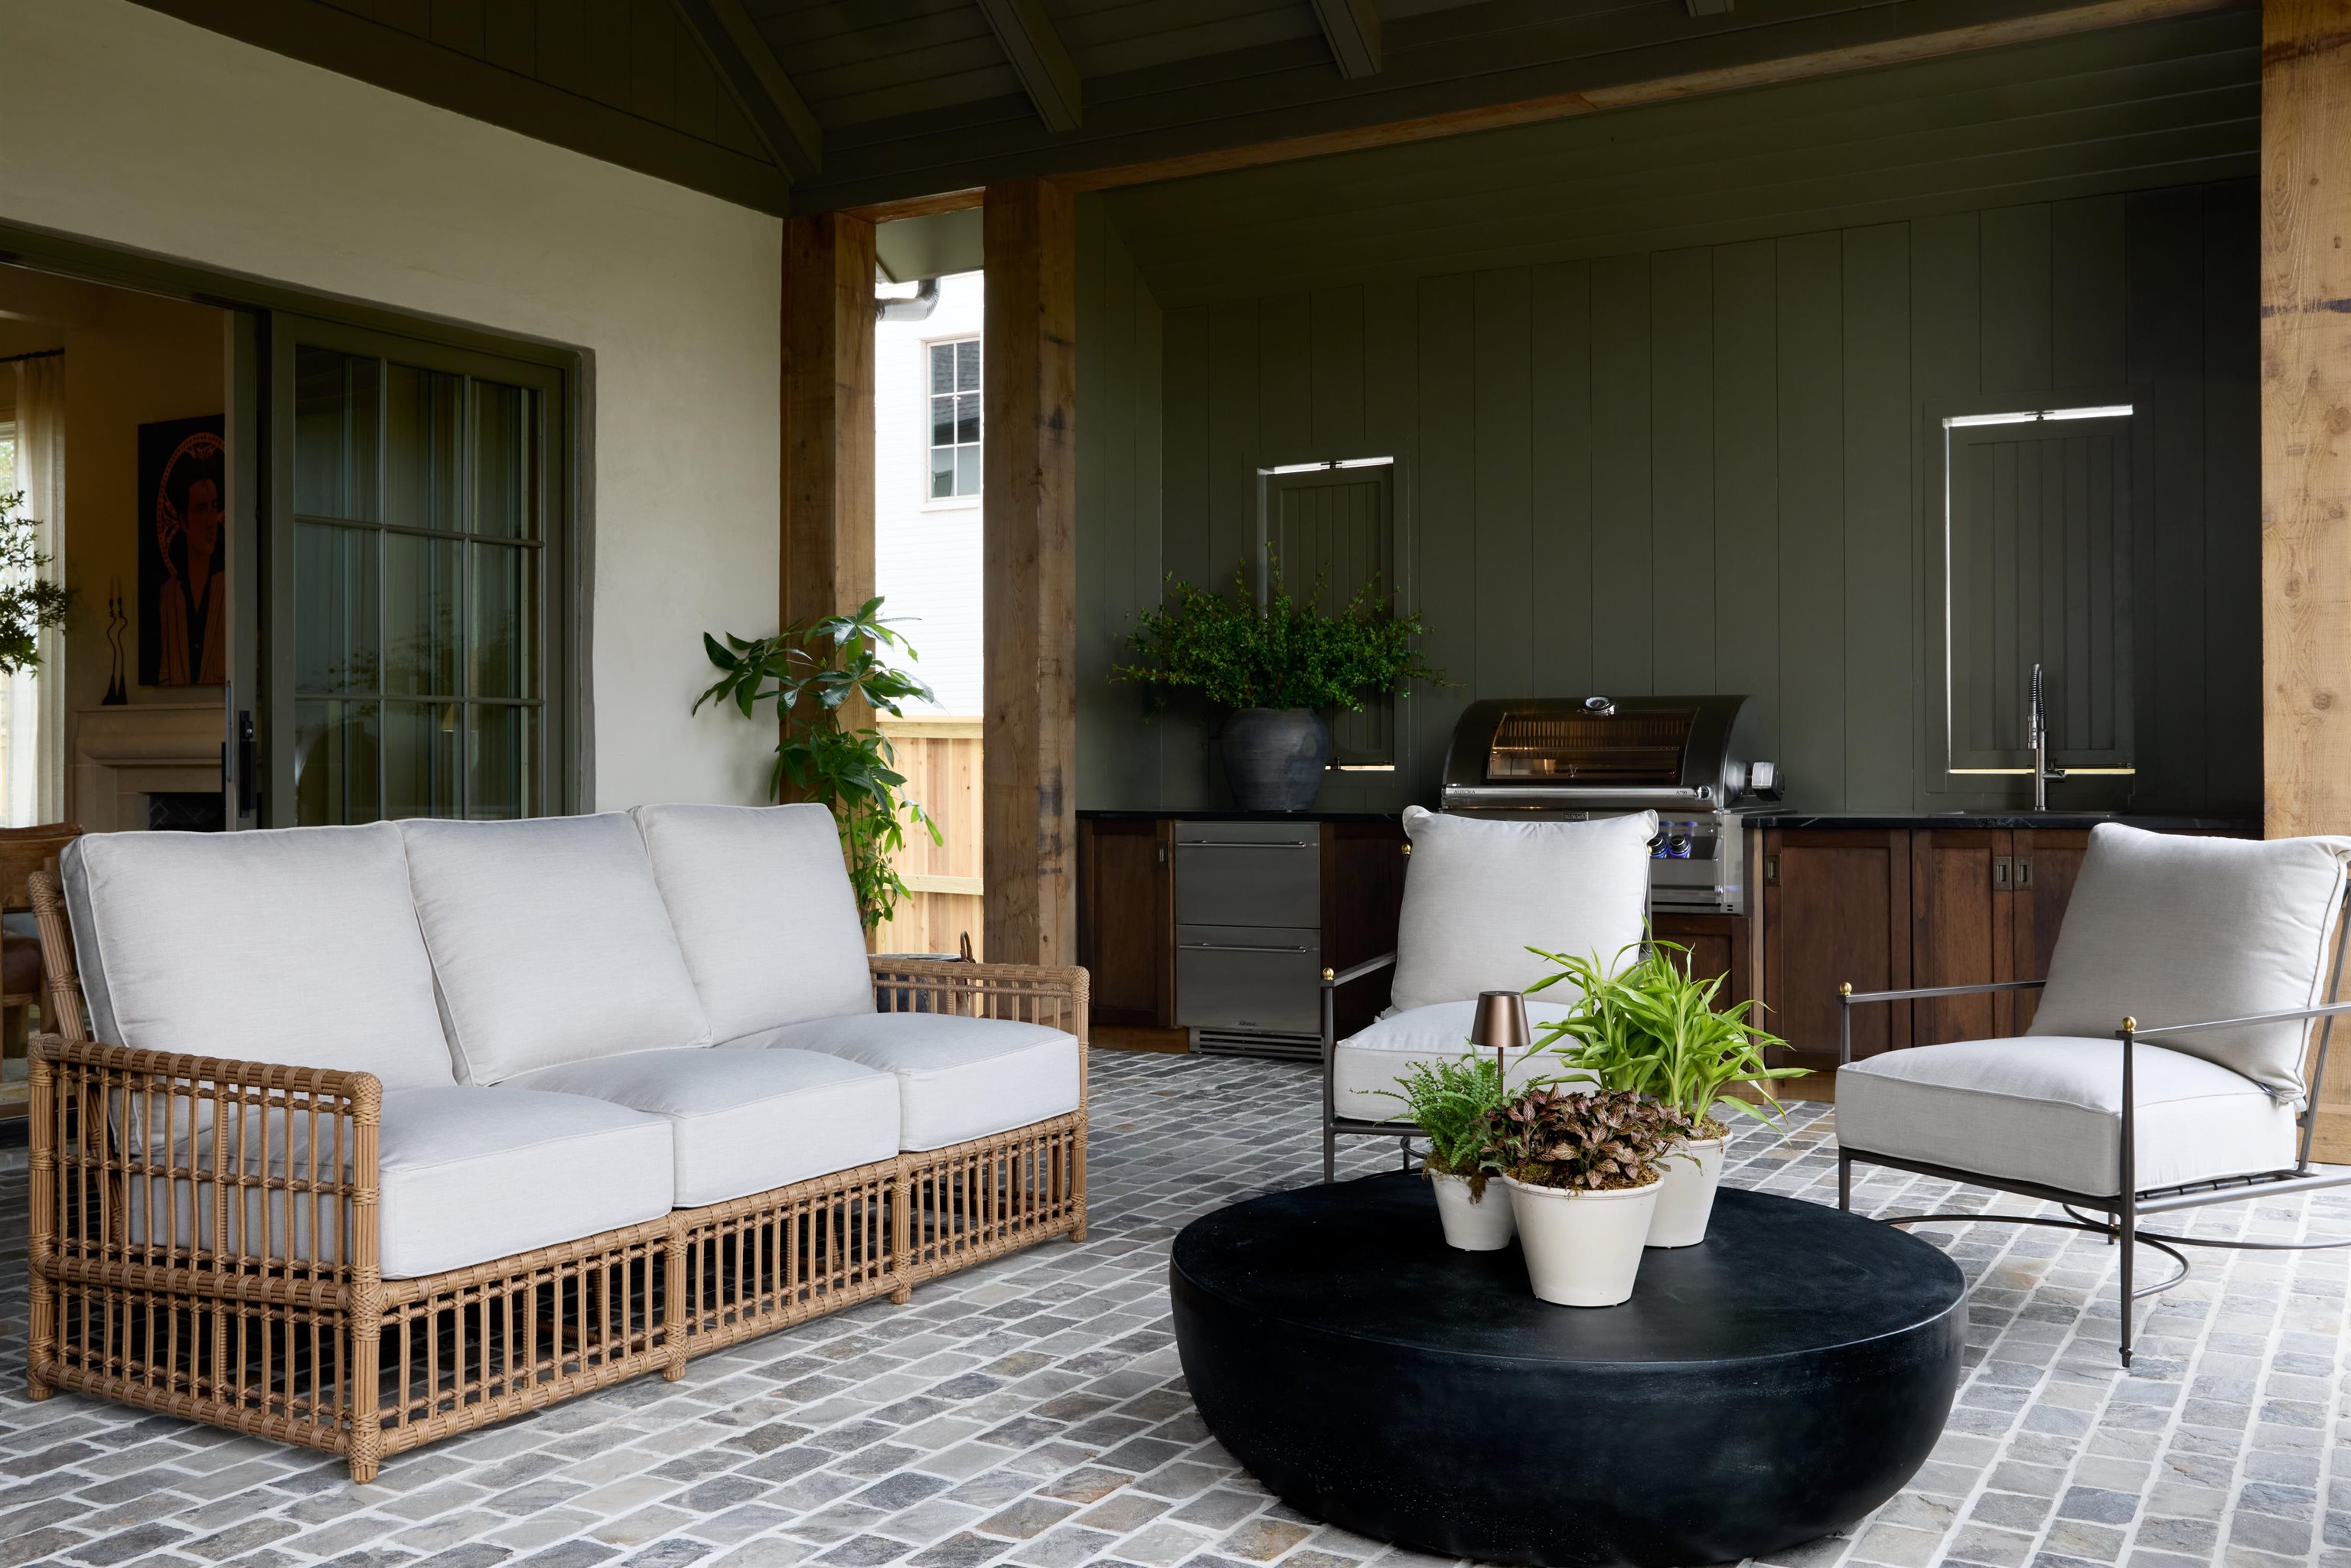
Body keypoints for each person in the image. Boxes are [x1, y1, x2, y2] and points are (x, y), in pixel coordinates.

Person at [156, 434, 226, 686]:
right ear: (183, 521)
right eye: (200, 509)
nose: (211, 521)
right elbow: (164, 674)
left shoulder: (229, 591)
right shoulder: (168, 594)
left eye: (214, 507)